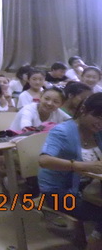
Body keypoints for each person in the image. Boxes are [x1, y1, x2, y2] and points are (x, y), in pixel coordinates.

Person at [38, 93, 102, 249]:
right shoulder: (62, 131)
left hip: (88, 187)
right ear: (84, 110)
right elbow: (44, 160)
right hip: (58, 192)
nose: (101, 123)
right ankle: (93, 242)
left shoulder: (98, 133)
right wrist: (81, 166)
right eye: (98, 117)